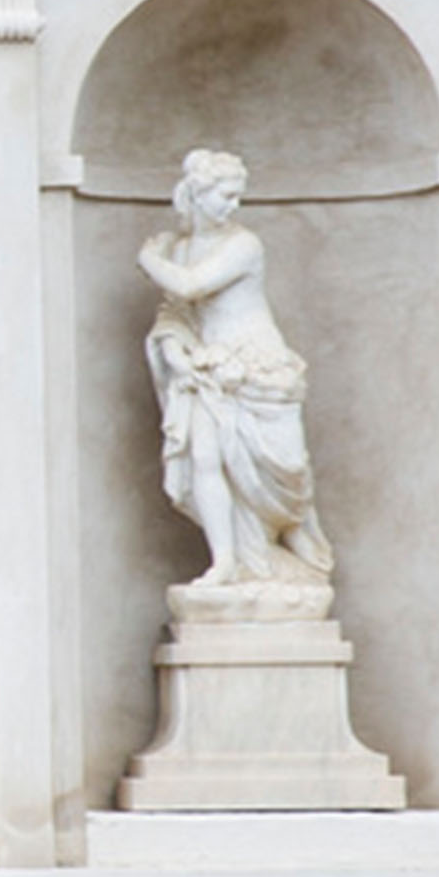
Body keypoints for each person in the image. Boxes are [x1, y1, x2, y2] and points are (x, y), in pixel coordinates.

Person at [139, 148, 335, 597]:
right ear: (198, 193)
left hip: (259, 368)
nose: (234, 205)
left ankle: (296, 545)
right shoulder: (180, 250)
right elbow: (176, 312)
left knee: (288, 469)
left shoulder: (244, 245)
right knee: (205, 459)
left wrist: (148, 259)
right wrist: (173, 350)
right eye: (226, 195)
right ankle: (225, 562)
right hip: (207, 369)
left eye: (237, 196)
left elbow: (190, 286)